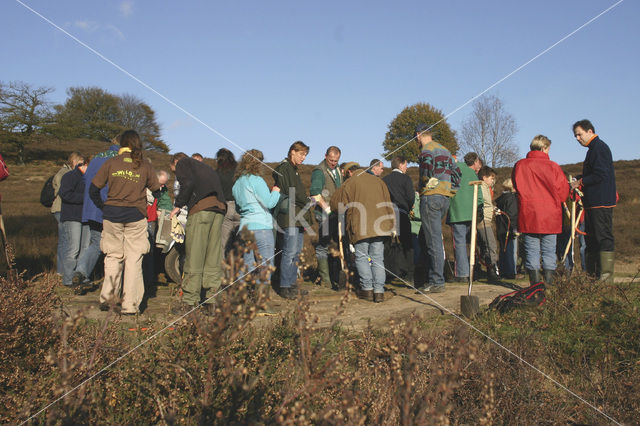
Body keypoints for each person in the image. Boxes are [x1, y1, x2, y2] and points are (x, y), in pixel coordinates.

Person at [90, 130, 160, 315]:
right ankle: (130, 305)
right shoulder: (145, 165)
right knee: (134, 259)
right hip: (136, 216)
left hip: (112, 214)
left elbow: (93, 189)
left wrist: (103, 207)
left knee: (113, 256)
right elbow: (158, 190)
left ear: (121, 143)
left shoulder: (110, 163)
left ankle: (108, 298)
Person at [169, 151, 226, 313]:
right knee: (212, 256)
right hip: (219, 210)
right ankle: (211, 302)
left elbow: (188, 184)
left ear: (175, 163)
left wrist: (178, 205)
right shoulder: (205, 168)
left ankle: (189, 302)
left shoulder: (183, 163)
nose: (176, 174)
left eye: (174, 171)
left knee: (194, 254)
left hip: (201, 210)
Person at [330, 166, 395, 302]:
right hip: (380, 226)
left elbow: (337, 205)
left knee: (362, 257)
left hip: (360, 226)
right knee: (377, 258)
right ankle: (379, 291)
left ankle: (367, 290)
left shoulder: (350, 182)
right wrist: (391, 224)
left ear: (350, 172)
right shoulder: (379, 181)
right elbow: (389, 203)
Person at [513, 135, 569, 285]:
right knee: (549, 251)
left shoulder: (520, 165)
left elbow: (517, 186)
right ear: (544, 148)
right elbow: (563, 193)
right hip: (550, 215)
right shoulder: (553, 166)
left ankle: (535, 287)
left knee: (531, 251)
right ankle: (548, 287)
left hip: (529, 213)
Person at [416, 124, 461, 293]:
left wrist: (425, 183)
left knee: (433, 240)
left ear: (418, 135)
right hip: (444, 198)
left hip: (431, 197)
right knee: (431, 237)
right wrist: (451, 190)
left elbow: (426, 170)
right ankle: (429, 277)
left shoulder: (427, 150)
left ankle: (437, 281)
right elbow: (457, 174)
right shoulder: (445, 151)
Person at [571, 119, 616, 284]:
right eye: (575, 135)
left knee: (603, 237)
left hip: (601, 201)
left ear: (590, 131)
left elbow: (601, 175)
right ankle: (593, 276)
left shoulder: (599, 148)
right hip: (593, 202)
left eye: (579, 134)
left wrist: (581, 182)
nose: (577, 138)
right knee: (591, 239)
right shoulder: (593, 149)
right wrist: (581, 179)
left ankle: (605, 278)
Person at [72, 141, 120, 289]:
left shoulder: (96, 158)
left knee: (97, 242)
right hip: (108, 207)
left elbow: (86, 180)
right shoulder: (118, 159)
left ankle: (81, 271)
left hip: (91, 207)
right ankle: (114, 282)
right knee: (116, 246)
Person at [272, 141, 313, 299]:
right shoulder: (284, 168)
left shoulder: (293, 170)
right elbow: (292, 192)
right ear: (293, 152)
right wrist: (307, 201)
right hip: (289, 217)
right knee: (289, 252)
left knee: (296, 253)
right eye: (302, 154)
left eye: (305, 155)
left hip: (297, 217)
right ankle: (284, 286)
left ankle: (292, 284)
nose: (303, 158)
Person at [232, 149, 281, 280]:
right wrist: (276, 191)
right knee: (266, 266)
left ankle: (240, 295)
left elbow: (238, 207)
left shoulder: (236, 184)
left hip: (244, 228)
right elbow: (270, 203)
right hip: (261, 227)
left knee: (247, 265)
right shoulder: (256, 180)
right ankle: (260, 298)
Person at [446, 152, 483, 282]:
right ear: (475, 162)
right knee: (471, 243)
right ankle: (473, 272)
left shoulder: (453, 170)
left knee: (460, 244)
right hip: (471, 213)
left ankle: (462, 274)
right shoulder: (473, 174)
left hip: (456, 212)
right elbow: (479, 196)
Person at [309, 146, 342, 288]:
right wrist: (328, 210)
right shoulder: (319, 171)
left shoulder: (339, 170)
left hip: (337, 213)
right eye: (331, 160)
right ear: (325, 156)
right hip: (324, 214)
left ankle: (336, 276)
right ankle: (325, 281)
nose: (333, 163)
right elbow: (315, 194)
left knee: (338, 243)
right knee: (323, 245)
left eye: (336, 160)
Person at [382, 155, 415, 281]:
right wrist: (408, 207)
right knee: (407, 244)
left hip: (387, 215)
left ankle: (388, 272)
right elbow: (411, 197)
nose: (406, 168)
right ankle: (410, 274)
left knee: (387, 244)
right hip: (401, 212)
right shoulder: (405, 179)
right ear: (400, 165)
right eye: (406, 165)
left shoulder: (384, 180)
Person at [51, 152, 84, 276]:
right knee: (66, 241)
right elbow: (64, 192)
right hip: (61, 209)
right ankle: (63, 271)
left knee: (65, 240)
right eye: (79, 162)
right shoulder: (65, 174)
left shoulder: (65, 172)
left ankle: (63, 270)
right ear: (74, 161)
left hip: (62, 209)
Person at [59, 155, 88, 287]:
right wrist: (85, 198)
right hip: (72, 217)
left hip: (85, 217)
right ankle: (68, 279)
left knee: (85, 248)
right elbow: (65, 194)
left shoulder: (89, 178)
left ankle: (80, 275)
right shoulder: (70, 176)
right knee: (73, 249)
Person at [477, 166, 500, 282]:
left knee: (487, 246)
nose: (493, 180)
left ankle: (490, 270)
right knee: (490, 245)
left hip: (487, 219)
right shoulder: (480, 187)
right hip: (483, 221)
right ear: (484, 177)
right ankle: (492, 271)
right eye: (491, 178)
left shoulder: (486, 188)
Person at [215, 148, 240, 254]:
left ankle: (224, 269)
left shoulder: (216, 173)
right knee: (240, 243)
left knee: (224, 244)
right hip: (240, 207)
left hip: (225, 207)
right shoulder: (239, 172)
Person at [495, 178, 519, 279]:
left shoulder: (501, 198)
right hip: (509, 228)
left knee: (503, 250)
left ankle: (503, 271)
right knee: (511, 250)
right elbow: (512, 215)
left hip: (501, 228)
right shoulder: (511, 198)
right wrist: (514, 229)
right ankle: (511, 272)